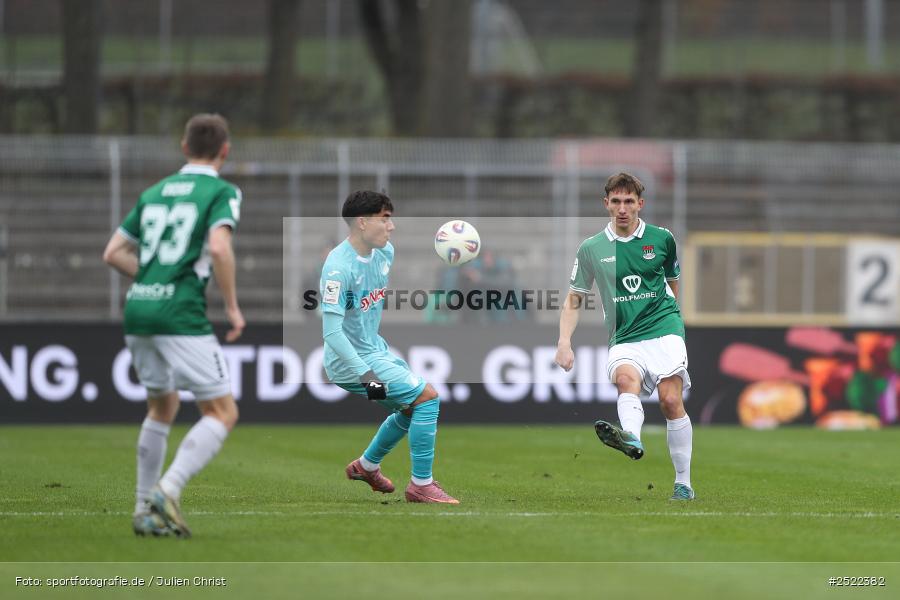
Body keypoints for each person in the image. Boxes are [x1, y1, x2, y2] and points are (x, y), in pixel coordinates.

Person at [102, 113, 245, 536]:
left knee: (161, 407)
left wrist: (151, 279)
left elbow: (112, 253)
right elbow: (219, 247)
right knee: (222, 411)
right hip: (179, 313)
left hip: (139, 308)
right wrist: (233, 308)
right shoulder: (222, 191)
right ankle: (169, 488)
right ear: (225, 150)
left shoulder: (154, 191)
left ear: (184, 148)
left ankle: (144, 508)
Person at [554, 172, 694, 501]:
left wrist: (668, 314)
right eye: (615, 201)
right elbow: (574, 299)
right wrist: (564, 341)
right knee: (625, 380)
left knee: (671, 401)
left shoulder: (662, 239)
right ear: (606, 204)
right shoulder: (592, 248)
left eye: (628, 201)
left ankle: (684, 483)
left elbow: (673, 283)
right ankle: (631, 436)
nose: (622, 208)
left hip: (663, 327)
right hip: (624, 334)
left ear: (640, 204)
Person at [321, 190, 458, 504]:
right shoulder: (337, 269)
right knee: (428, 397)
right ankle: (421, 485)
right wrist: (367, 375)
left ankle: (367, 467)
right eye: (385, 218)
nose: (391, 226)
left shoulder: (385, 253)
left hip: (375, 349)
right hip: (350, 364)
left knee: (412, 408)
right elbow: (332, 334)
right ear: (362, 222)